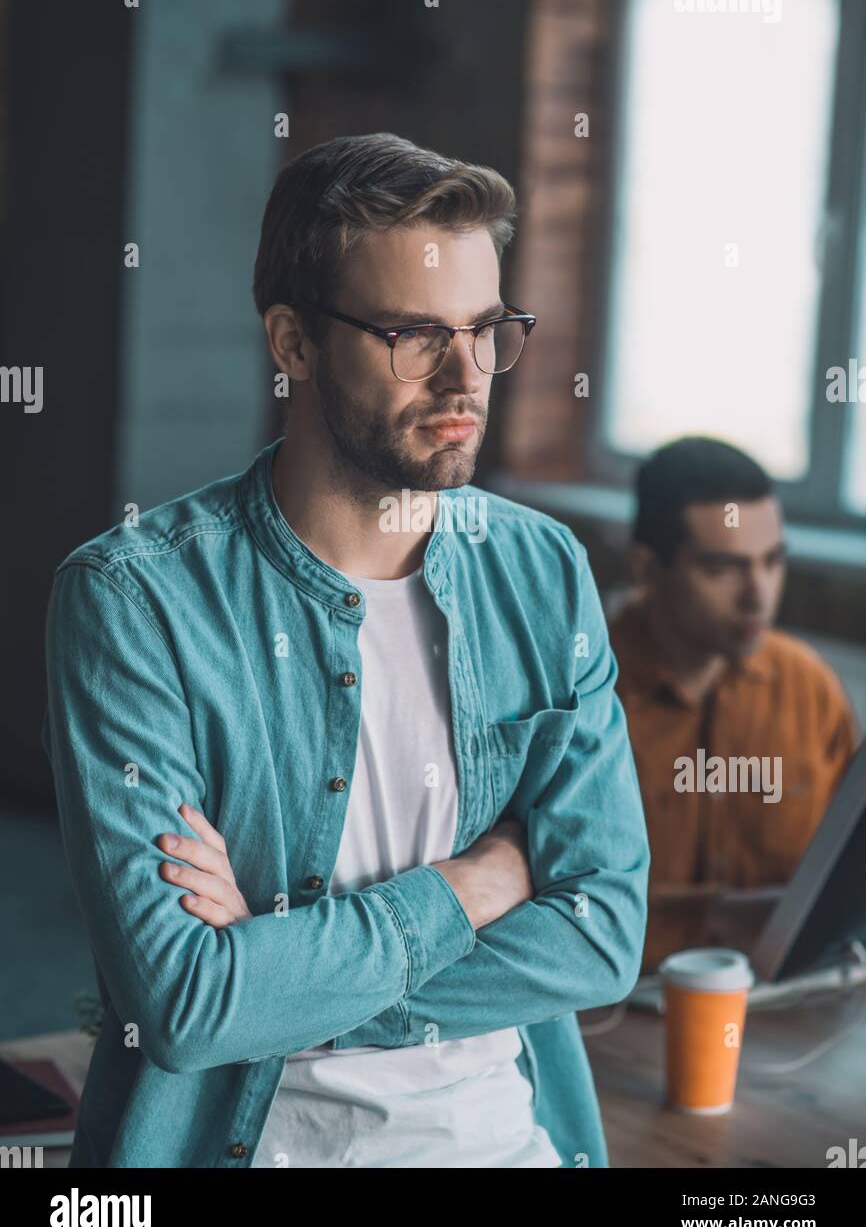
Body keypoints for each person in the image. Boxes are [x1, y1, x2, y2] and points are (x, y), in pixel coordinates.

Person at [42, 132, 649, 1169]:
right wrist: (474, 884)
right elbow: (190, 1003)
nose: (466, 376)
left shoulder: (541, 572)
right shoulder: (134, 598)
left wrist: (277, 982)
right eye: (415, 334)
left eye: (486, 329)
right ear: (291, 342)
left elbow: (600, 937)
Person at [608, 436, 860, 973]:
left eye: (772, 562)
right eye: (724, 568)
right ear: (647, 569)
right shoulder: (581, 697)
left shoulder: (807, 686)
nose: (759, 595)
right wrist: (715, 917)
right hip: (614, 1012)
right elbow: (546, 905)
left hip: (789, 1007)